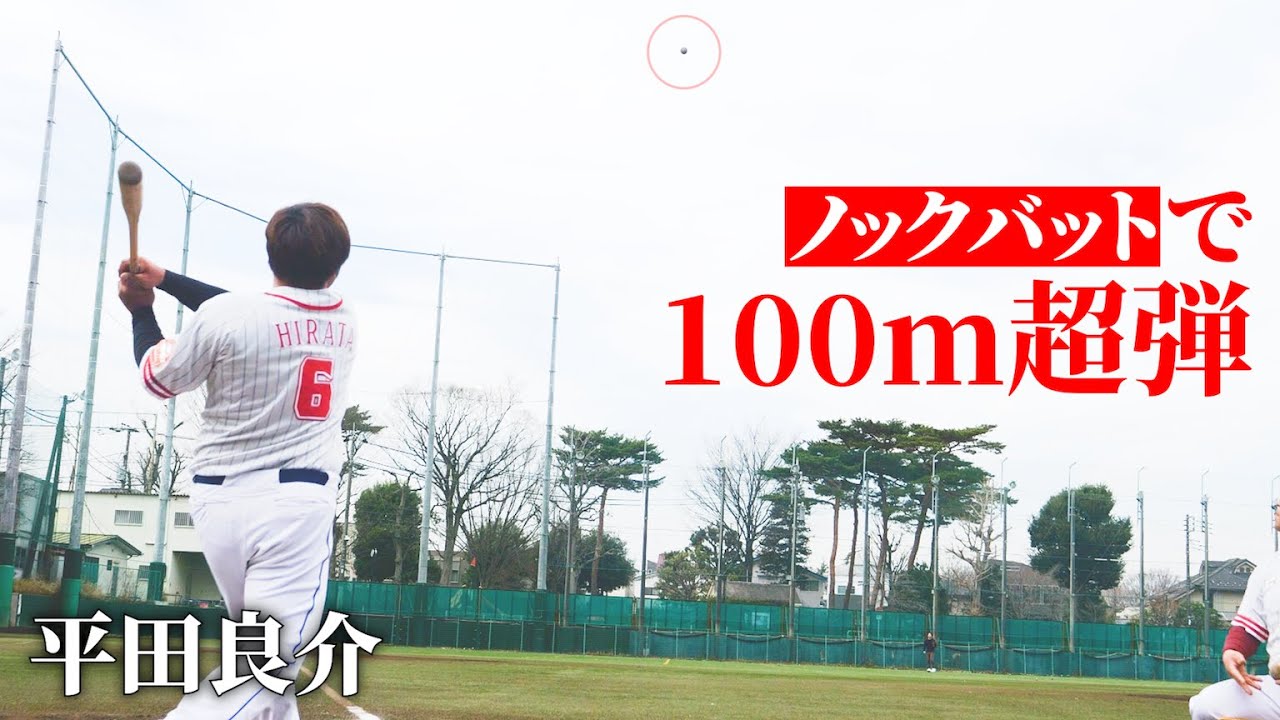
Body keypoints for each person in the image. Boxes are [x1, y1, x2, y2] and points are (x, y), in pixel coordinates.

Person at [117, 202, 356, 720]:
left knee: (268, 679)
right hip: (293, 511)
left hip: (218, 507)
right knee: (262, 670)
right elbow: (251, 312)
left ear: (270, 256)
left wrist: (142, 309)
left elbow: (157, 376)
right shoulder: (344, 317)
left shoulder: (227, 317)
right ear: (337, 267)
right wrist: (167, 281)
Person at [1187, 502, 1280, 719]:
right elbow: (1248, 627)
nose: (1277, 507)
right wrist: (1234, 650)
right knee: (1206, 705)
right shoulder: (1268, 570)